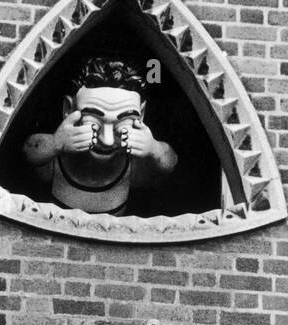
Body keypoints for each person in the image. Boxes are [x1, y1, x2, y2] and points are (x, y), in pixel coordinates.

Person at [22, 56, 177, 215]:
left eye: (121, 125)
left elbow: (169, 163)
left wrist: (153, 148)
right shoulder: (54, 163)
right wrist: (56, 142)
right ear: (68, 109)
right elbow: (28, 151)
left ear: (141, 114)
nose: (107, 140)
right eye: (94, 123)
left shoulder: (133, 169)